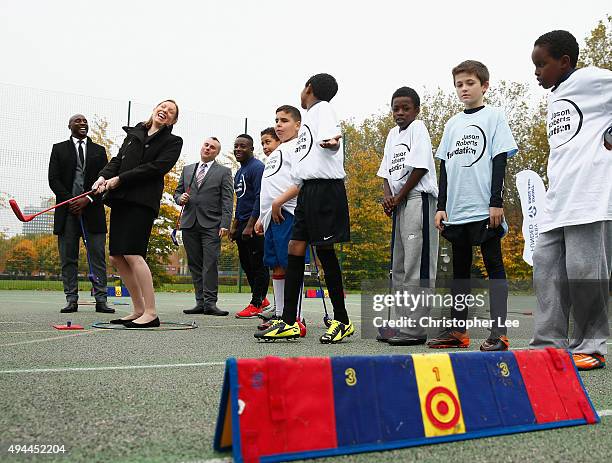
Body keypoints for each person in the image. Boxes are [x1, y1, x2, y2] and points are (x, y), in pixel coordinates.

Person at [528, 30, 612, 370]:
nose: (536, 72)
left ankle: (591, 347)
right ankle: (548, 345)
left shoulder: (592, 79)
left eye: (541, 65)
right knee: (545, 265)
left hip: (590, 195)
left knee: (584, 271)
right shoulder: (556, 93)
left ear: (564, 61)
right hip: (558, 198)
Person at [255, 73, 354, 343]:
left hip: (326, 188)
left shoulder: (322, 109)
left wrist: (334, 142)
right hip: (308, 190)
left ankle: (342, 320)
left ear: (309, 88)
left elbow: (332, 136)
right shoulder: (309, 120)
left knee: (325, 252)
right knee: (294, 248)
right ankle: (289, 321)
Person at [429, 60, 518, 351]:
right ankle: (458, 332)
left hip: (484, 208)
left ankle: (499, 333)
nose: (464, 89)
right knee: (460, 272)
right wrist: (441, 206)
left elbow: (499, 159)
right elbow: (445, 167)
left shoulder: (494, 117)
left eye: (470, 83)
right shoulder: (452, 124)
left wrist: (496, 202)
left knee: (494, 267)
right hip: (456, 210)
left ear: (484, 86)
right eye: (459, 84)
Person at [92, 100, 183, 328]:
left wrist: (120, 179)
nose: (165, 111)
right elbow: (118, 160)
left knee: (133, 254)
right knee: (117, 257)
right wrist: (103, 177)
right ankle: (138, 309)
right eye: (163, 107)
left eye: (171, 112)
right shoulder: (135, 133)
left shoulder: (172, 142)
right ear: (154, 109)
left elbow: (156, 168)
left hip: (142, 201)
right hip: (121, 199)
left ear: (172, 120)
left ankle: (151, 313)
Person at [376, 87, 439, 346]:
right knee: (399, 266)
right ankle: (401, 323)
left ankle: (416, 327)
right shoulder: (393, 134)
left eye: (405, 108)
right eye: (396, 108)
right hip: (399, 201)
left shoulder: (418, 129)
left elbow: (421, 166)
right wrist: (388, 196)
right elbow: (385, 172)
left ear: (416, 110)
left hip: (417, 199)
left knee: (417, 264)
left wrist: (399, 196)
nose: (400, 113)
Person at [48, 114, 113, 314]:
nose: (83, 123)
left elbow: (105, 180)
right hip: (67, 212)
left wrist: (88, 199)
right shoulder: (58, 149)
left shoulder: (99, 151)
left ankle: (101, 299)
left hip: (92, 211)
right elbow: (54, 179)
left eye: (85, 121)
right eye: (78, 121)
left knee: (97, 257)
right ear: (69, 126)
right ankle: (71, 299)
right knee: (68, 257)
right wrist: (71, 201)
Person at [254, 105, 307, 336]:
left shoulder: (300, 147)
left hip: (288, 212)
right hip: (271, 217)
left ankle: (295, 317)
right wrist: (262, 216)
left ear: (297, 125)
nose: (278, 124)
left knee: (290, 263)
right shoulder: (277, 151)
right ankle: (280, 315)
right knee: (276, 264)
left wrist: (279, 203)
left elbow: (302, 180)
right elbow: (269, 187)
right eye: (276, 120)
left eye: (284, 120)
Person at [174, 137, 233, 316]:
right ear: (202, 147)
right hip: (189, 223)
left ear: (216, 152)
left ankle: (210, 303)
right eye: (206, 145)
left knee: (210, 264)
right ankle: (200, 302)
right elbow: (177, 192)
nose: (208, 149)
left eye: (213, 147)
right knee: (194, 264)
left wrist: (225, 223)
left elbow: (227, 199)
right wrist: (179, 198)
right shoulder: (187, 169)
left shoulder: (224, 171)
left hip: (212, 225)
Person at [230, 134, 270, 318]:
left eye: (243, 146)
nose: (238, 149)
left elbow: (259, 196)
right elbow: (241, 199)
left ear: (252, 149)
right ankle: (261, 297)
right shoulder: (240, 171)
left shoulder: (257, 168)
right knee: (247, 264)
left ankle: (257, 303)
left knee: (258, 264)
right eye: (236, 146)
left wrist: (250, 224)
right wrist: (235, 225)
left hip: (253, 223)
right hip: (242, 222)